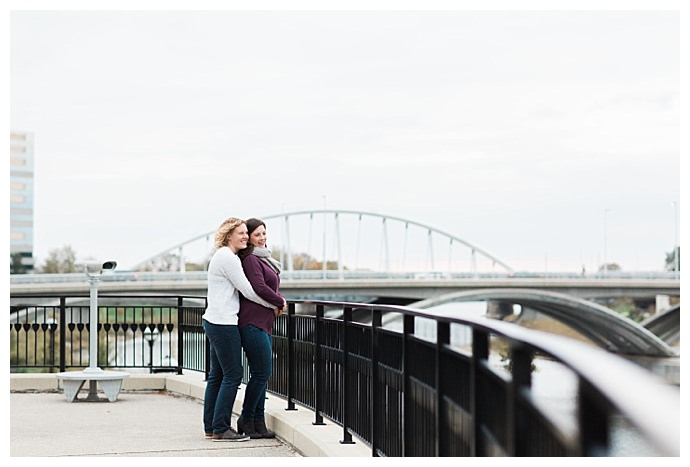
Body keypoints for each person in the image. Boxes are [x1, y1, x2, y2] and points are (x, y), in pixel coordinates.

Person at [202, 217, 286, 442]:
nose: (246, 237)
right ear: (229, 235)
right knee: (233, 375)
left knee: (218, 375)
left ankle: (211, 426)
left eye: (245, 233)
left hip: (218, 320)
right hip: (223, 322)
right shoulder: (229, 258)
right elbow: (250, 290)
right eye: (242, 233)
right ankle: (221, 427)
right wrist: (278, 304)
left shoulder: (228, 256)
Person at [236, 218, 285, 439]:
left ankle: (258, 422)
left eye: (264, 233)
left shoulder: (265, 260)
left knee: (261, 374)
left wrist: (277, 302)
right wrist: (280, 301)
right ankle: (246, 418)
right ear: (249, 239)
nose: (262, 238)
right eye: (257, 235)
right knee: (262, 372)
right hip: (252, 323)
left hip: (263, 324)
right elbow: (258, 287)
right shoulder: (251, 260)